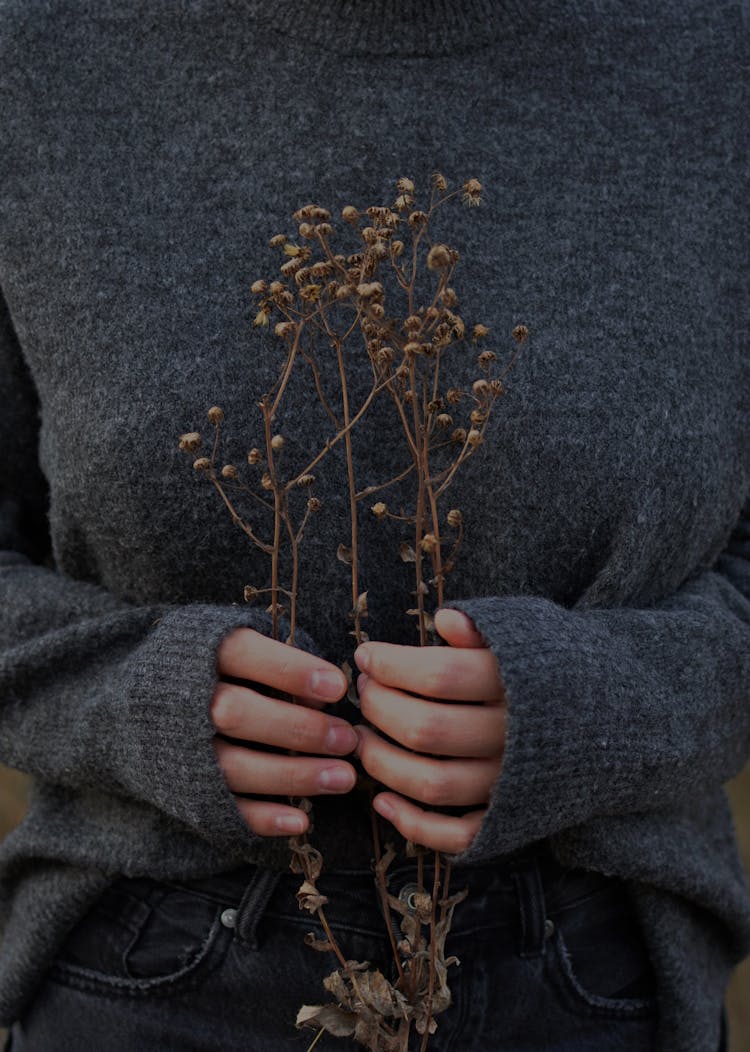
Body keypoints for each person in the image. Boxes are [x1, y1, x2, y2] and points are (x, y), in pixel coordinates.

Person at [0, 1, 747, 1049]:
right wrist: (134, 696)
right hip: (149, 967)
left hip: (594, 973)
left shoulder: (716, 52)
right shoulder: (34, 53)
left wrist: (604, 706)